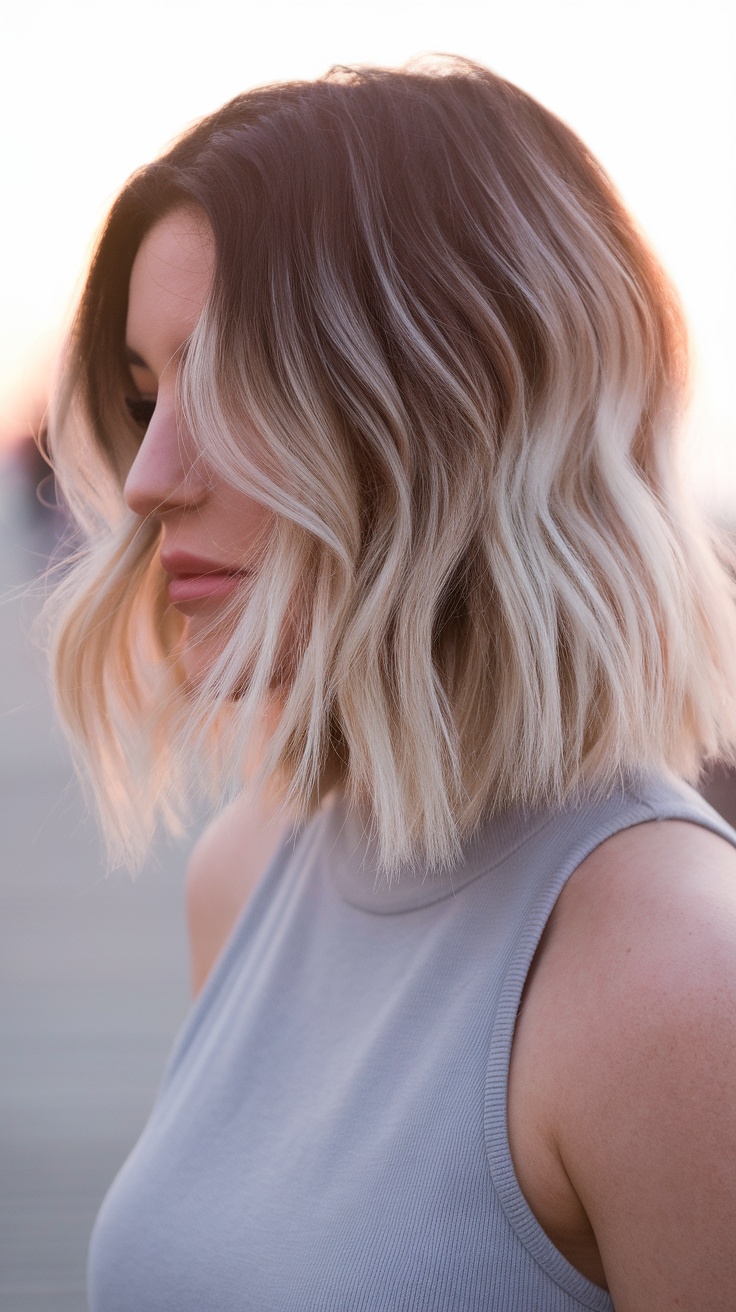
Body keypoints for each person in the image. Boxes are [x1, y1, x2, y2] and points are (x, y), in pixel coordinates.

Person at [44, 57, 736, 1310]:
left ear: (458, 405)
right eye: (147, 395)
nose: (149, 478)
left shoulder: (687, 983)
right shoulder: (248, 868)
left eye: (232, 379)